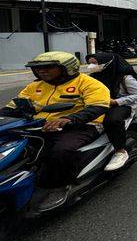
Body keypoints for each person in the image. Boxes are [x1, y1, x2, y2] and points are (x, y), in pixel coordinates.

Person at [0, 51, 110, 210]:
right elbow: (14, 107)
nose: (41, 71)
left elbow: (98, 106)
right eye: (38, 68)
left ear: (67, 68)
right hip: (40, 125)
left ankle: (59, 186)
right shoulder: (34, 86)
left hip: (82, 125)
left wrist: (70, 119)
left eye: (48, 67)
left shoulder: (88, 83)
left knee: (61, 151)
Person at [86, 52, 137, 171]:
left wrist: (116, 102)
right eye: (90, 63)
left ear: (107, 64)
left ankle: (120, 151)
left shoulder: (125, 77)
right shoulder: (92, 78)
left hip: (122, 105)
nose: (91, 66)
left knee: (111, 121)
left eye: (95, 63)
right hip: (99, 104)